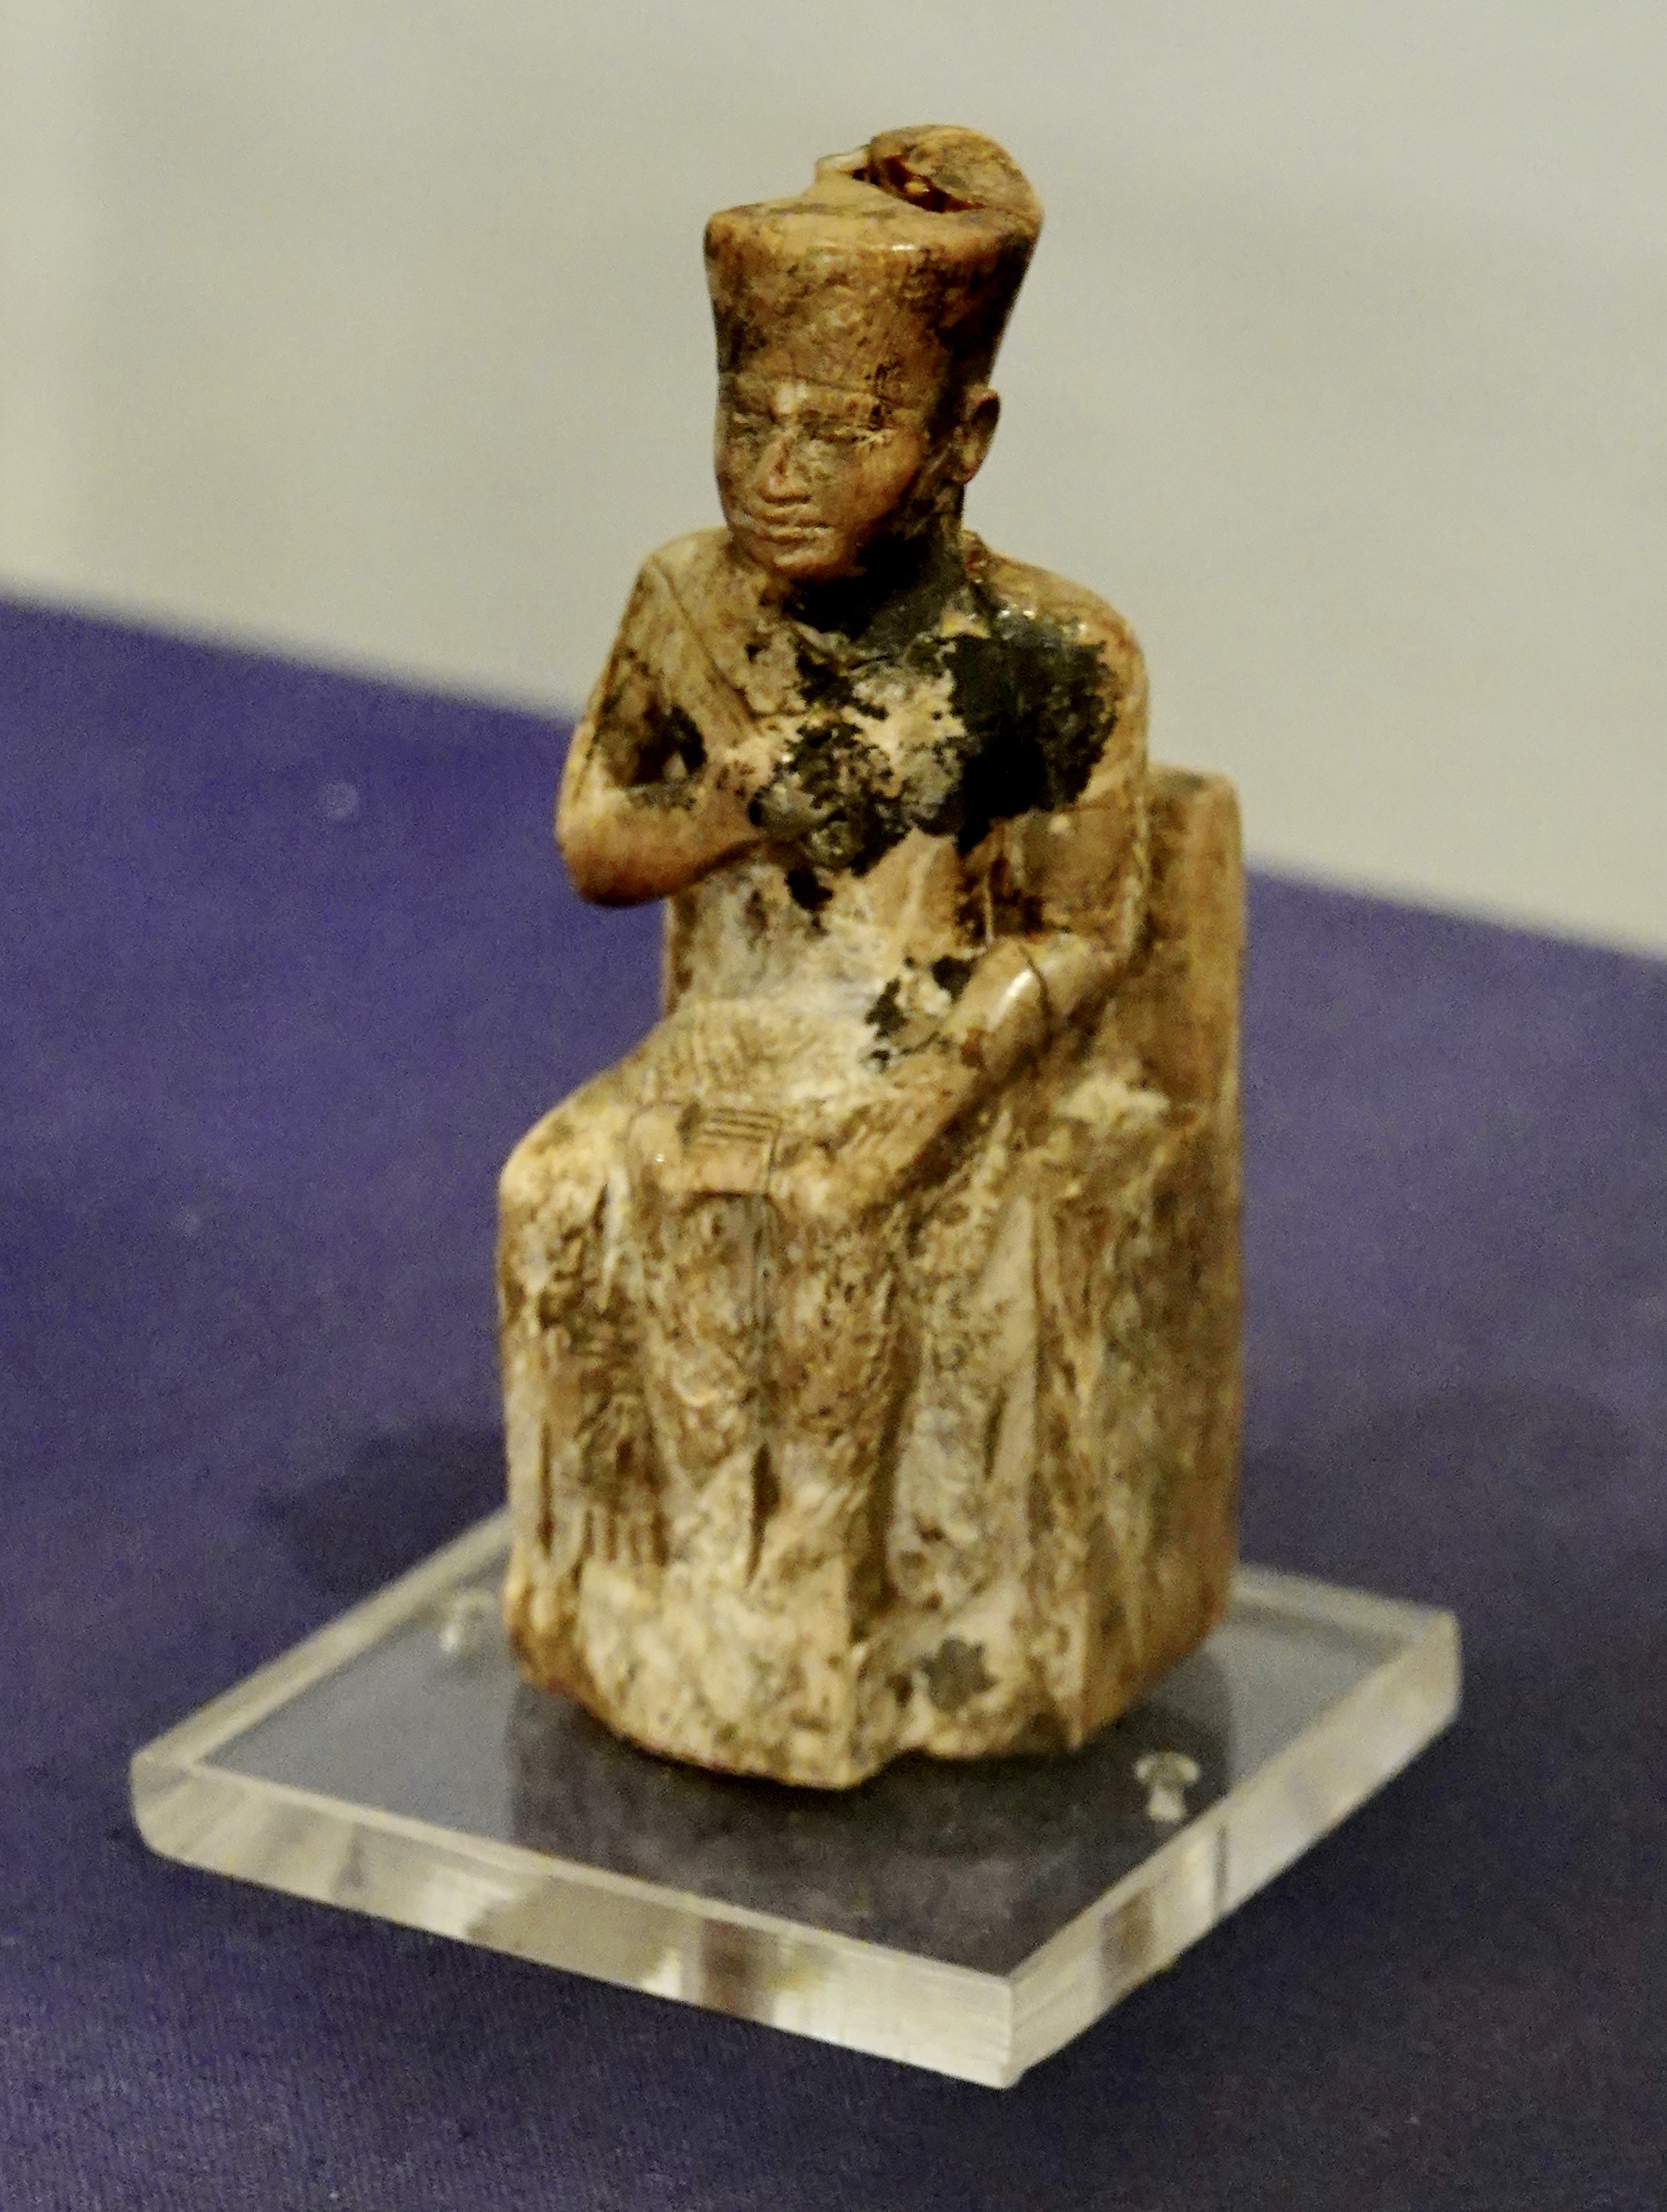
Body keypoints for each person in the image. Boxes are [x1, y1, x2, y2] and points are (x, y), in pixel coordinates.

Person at [499, 129, 1237, 1785]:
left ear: (960, 438)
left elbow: (1085, 931)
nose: (778, 470)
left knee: (830, 1213)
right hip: (743, 1016)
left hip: (943, 1033)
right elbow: (596, 847)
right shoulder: (686, 599)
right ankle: (621, 1590)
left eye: (840, 431)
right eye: (747, 420)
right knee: (553, 1188)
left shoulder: (1051, 652)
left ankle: (810, 1618)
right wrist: (723, 817)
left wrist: (931, 1093)